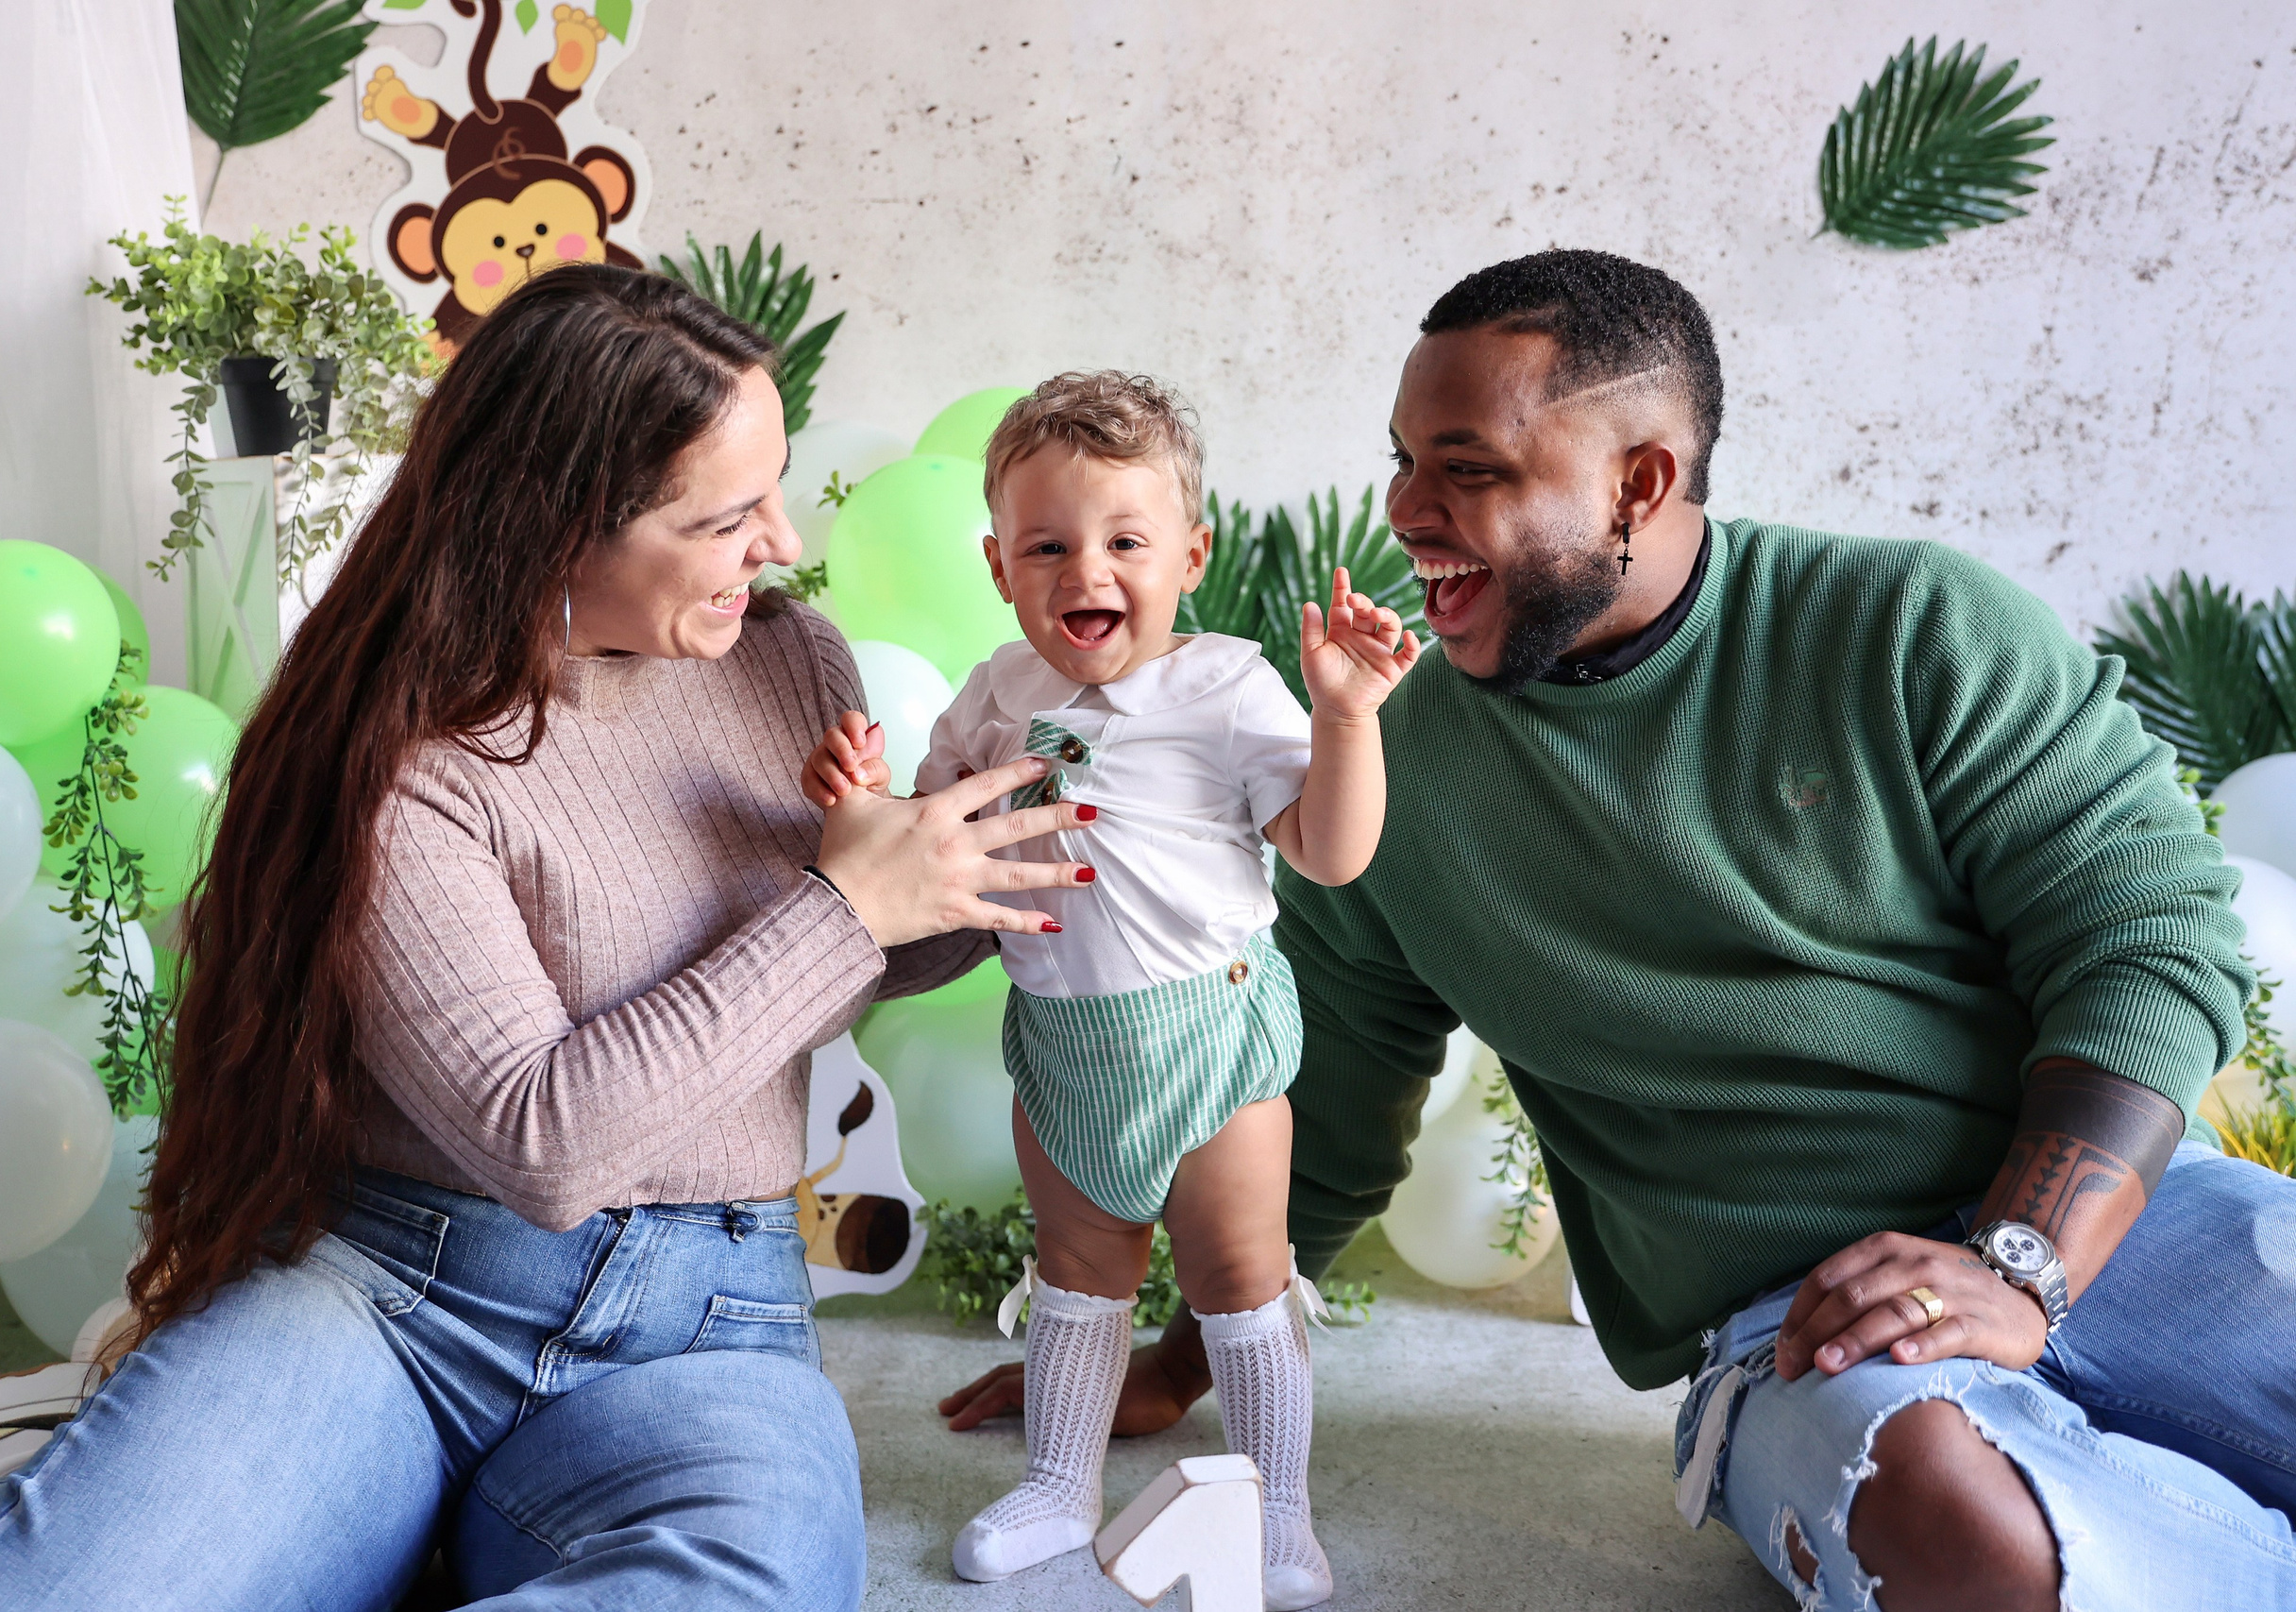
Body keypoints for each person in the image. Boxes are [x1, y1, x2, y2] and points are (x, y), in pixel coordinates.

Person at [942, 249, 2296, 1611]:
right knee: (1969, 1542)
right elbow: (1328, 1095)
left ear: (1638, 484)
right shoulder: (1384, 775)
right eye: (1404, 460)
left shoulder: (1912, 628)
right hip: (1803, 1326)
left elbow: (2147, 935)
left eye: (1465, 468)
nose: (1405, 511)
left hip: (2121, 1230)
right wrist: (1174, 1364)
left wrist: (2020, 1259)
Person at [0, 263, 1096, 1612]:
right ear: (562, 524)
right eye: (727, 514)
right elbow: (545, 1141)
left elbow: (830, 969)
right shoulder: (401, 757)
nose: (785, 541)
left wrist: (973, 879)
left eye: (778, 485)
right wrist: (849, 906)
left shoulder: (786, 659)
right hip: (393, 1303)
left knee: (750, 1590)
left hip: (705, 1327)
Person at [806, 372, 1418, 1607]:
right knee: (1079, 1272)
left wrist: (1348, 719)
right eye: (1048, 544)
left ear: (1188, 553)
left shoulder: (1228, 689)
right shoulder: (995, 696)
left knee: (1240, 1279)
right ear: (998, 566)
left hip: (1211, 1042)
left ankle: (1277, 1510)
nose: (1087, 567)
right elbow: (933, 844)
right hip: (1065, 1043)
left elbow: (1331, 851)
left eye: (1126, 540)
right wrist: (862, 804)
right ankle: (1058, 1487)